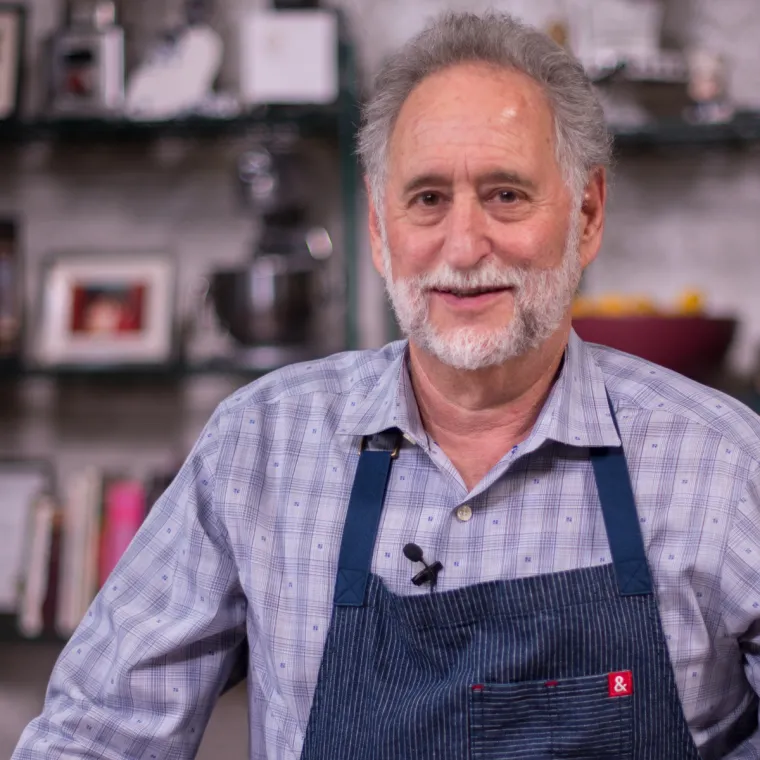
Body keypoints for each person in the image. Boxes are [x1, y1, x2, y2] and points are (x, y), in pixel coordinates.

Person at [12, 11, 760, 760]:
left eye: (505, 194)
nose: (463, 249)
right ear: (377, 225)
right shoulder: (260, 447)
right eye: (428, 198)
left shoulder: (722, 464)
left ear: (587, 213)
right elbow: (93, 738)